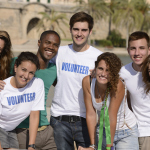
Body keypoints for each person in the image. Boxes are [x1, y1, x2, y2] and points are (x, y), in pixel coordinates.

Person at [50, 11, 103, 150]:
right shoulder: (59, 52)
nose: (79, 33)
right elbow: (35, 67)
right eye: (76, 29)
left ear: (90, 31)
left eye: (84, 30)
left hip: (86, 121)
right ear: (70, 29)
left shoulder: (99, 57)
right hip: (59, 120)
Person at [0, 30, 60, 149]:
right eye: (47, 42)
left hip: (44, 128)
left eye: (55, 45)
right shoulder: (16, 62)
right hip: (20, 130)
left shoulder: (53, 71)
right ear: (39, 42)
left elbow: (68, 87)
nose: (51, 47)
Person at [78, 52, 138, 150]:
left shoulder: (117, 85)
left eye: (108, 70)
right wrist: (93, 146)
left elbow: (111, 116)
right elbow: (91, 114)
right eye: (100, 68)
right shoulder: (87, 82)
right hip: (103, 131)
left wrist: (109, 146)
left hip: (125, 132)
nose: (103, 74)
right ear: (95, 68)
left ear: (114, 73)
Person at [0, 51, 44, 149]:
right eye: (23, 70)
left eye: (31, 73)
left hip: (11, 130)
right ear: (16, 67)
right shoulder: (2, 89)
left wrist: (31, 146)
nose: (26, 76)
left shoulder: (37, 84)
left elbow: (34, 116)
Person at [120, 31, 150, 150]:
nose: (137, 53)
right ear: (128, 50)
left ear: (149, 50)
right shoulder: (123, 73)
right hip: (138, 133)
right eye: (133, 48)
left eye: (141, 48)